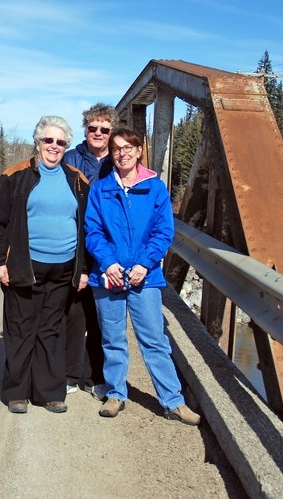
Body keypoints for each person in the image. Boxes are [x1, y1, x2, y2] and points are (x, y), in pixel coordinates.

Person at [84, 127, 200, 425]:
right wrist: (107, 263)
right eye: (116, 149)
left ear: (138, 151)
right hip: (108, 277)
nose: (122, 153)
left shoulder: (155, 188)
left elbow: (163, 232)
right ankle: (115, 394)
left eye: (128, 148)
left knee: (154, 339)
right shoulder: (101, 189)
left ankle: (173, 400)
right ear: (112, 154)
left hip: (144, 277)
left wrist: (145, 264)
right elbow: (92, 230)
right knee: (112, 339)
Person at [0, 115, 89, 414]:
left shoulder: (77, 180)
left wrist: (84, 269)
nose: (54, 146)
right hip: (23, 266)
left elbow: (87, 227)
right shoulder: (15, 176)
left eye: (60, 142)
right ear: (38, 142)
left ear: (66, 146)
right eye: (48, 140)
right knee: (20, 328)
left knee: (52, 330)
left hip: (64, 268)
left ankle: (49, 392)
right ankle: (17, 391)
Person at [62, 104, 118, 399]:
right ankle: (71, 374)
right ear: (85, 130)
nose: (98, 133)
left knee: (101, 316)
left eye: (104, 129)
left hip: (107, 250)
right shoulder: (71, 158)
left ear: (112, 133)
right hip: (75, 247)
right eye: (93, 128)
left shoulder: (119, 161)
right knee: (74, 314)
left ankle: (97, 376)